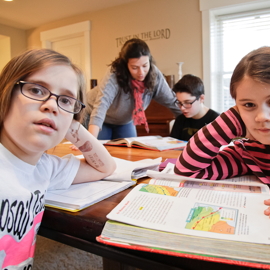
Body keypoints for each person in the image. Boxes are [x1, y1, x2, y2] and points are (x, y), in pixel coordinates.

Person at [174, 46, 270, 269]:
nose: (261, 117)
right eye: (249, 105)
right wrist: (233, 119)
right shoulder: (247, 152)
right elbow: (187, 170)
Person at [0, 48, 116, 269]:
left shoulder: (45, 168)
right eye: (35, 90)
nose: (51, 105)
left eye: (65, 100)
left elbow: (105, 167)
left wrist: (70, 123)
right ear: (5, 94)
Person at [86, 38, 181, 140]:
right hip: (99, 117)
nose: (141, 72)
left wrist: (194, 123)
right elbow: (101, 105)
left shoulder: (154, 75)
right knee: (98, 151)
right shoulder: (114, 74)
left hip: (125, 121)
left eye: (145, 65)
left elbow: (172, 102)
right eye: (135, 68)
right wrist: (90, 141)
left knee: (130, 152)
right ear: (125, 65)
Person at [170, 74, 219, 141]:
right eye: (179, 102)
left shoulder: (216, 121)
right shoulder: (180, 120)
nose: (182, 108)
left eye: (187, 102)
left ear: (201, 98)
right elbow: (172, 145)